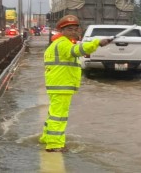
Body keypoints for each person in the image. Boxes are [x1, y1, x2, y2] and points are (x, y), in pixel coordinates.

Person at [39, 15, 113, 152]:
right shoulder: (63, 44)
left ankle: (46, 138)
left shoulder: (58, 43)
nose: (73, 32)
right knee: (59, 116)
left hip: (58, 86)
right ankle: (54, 145)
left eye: (75, 29)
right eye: (69, 29)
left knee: (53, 114)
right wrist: (97, 43)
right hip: (62, 86)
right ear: (62, 30)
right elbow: (77, 51)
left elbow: (77, 48)